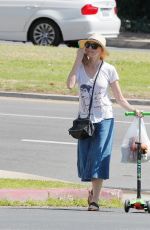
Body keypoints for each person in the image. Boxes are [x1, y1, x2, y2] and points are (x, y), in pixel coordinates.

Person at [67, 33, 141, 211]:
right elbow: (70, 85)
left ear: (101, 51)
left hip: (104, 119)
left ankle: (95, 200)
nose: (90, 49)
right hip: (84, 121)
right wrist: (77, 59)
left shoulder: (109, 69)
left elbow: (119, 98)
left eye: (94, 46)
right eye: (88, 45)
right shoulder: (79, 67)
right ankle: (93, 191)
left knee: (99, 156)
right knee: (85, 159)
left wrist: (133, 109)